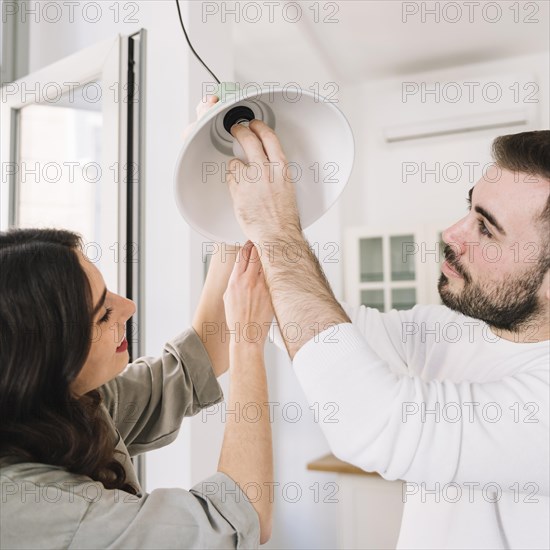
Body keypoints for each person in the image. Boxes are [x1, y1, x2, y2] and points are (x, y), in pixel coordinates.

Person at [225, 124, 550, 550]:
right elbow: (315, 324)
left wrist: (278, 231)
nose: (452, 234)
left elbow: (369, 423)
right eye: (469, 210)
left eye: (485, 229)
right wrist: (229, 176)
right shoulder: (450, 330)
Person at [0, 102, 274, 548]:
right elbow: (237, 520)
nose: (128, 307)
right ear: (47, 358)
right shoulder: (30, 507)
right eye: (103, 312)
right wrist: (249, 343)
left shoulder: (72, 401)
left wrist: (230, 212)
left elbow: (196, 360)